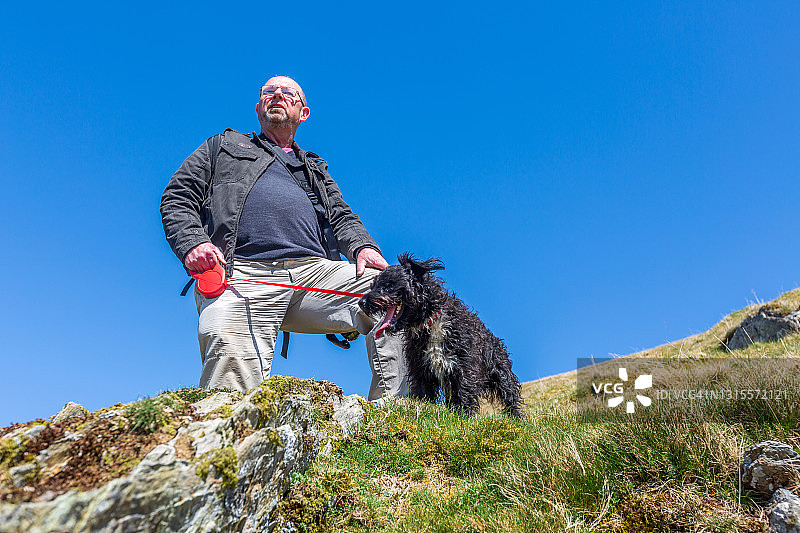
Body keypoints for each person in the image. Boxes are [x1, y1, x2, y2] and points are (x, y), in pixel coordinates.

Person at [160, 75, 407, 399]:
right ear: (259, 105)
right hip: (241, 275)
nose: (277, 95)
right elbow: (177, 196)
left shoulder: (314, 168)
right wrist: (194, 242)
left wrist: (362, 246)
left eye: (287, 92)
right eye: (269, 91)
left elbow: (341, 215)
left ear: (303, 112)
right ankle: (228, 441)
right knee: (226, 351)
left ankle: (390, 429)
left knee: (396, 295)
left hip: (313, 273)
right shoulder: (223, 146)